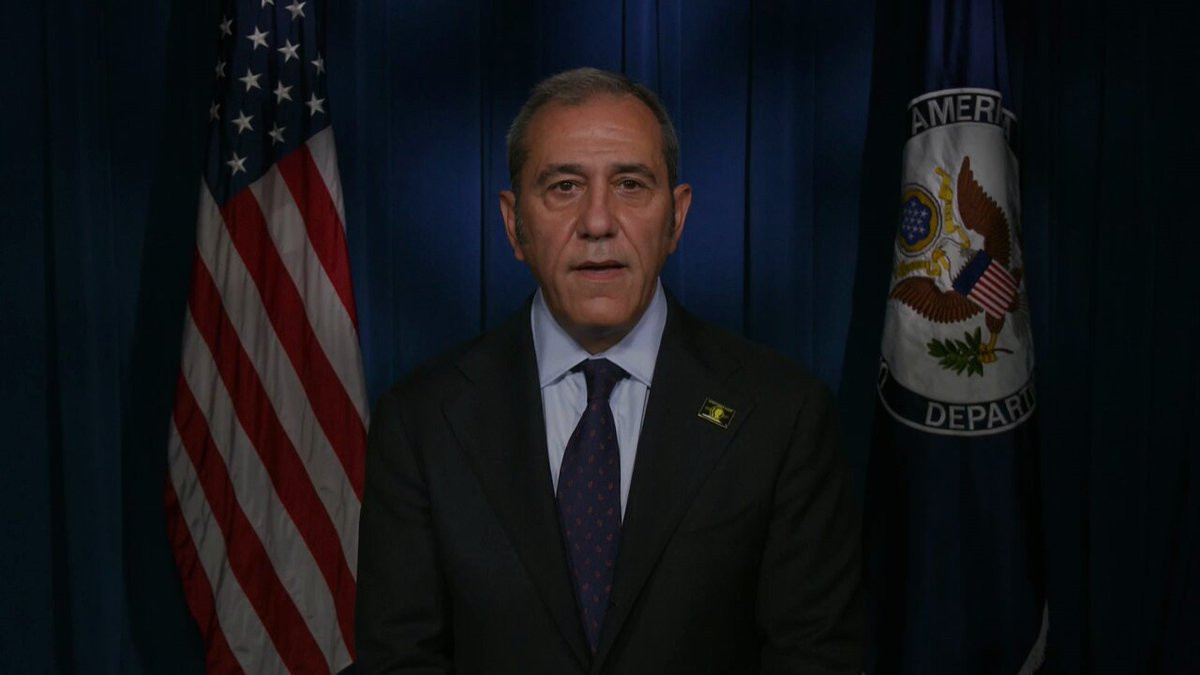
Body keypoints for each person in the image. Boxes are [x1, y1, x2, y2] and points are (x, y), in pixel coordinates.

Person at [356, 67, 864, 674]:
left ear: (677, 217)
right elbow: (400, 660)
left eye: (630, 184)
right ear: (514, 224)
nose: (597, 222)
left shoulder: (784, 416)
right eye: (564, 186)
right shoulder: (419, 423)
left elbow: (814, 659)